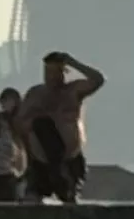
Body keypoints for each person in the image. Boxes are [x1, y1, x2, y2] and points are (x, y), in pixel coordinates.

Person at [15, 51, 105, 204]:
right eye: (48, 72)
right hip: (41, 157)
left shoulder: (73, 90)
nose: (51, 76)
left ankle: (64, 184)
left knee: (69, 198)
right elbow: (19, 123)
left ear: (63, 72)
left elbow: (97, 79)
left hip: (70, 155)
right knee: (34, 196)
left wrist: (73, 62)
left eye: (56, 72)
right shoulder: (35, 94)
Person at [0, 87, 28, 202]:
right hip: (3, 170)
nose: (4, 105)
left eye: (7, 101)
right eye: (3, 101)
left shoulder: (19, 122)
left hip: (12, 171)